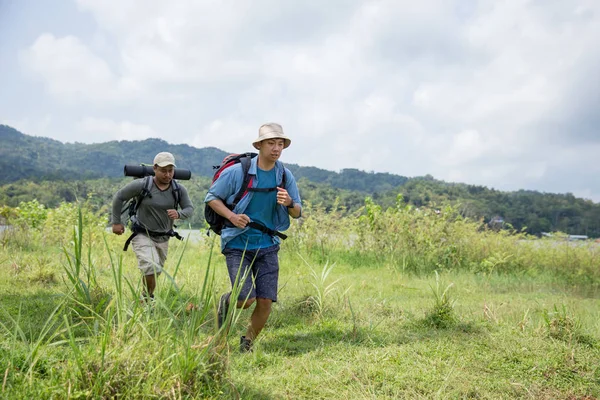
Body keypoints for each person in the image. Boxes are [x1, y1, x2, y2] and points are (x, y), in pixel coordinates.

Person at [205, 122, 302, 352]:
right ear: (259, 145)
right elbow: (211, 198)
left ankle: (247, 343)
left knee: (265, 300)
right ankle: (226, 302)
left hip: (268, 244)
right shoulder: (237, 172)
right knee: (245, 298)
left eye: (280, 144)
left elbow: (298, 211)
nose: (276, 148)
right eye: (271, 143)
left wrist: (289, 203)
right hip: (237, 242)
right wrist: (232, 216)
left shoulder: (284, 176)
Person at [111, 152, 194, 300]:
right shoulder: (142, 185)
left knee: (155, 271)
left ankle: (145, 296)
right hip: (142, 233)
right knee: (151, 266)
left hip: (163, 237)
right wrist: (116, 222)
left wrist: (179, 214)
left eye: (171, 171)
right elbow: (119, 197)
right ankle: (149, 299)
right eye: (163, 170)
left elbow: (189, 209)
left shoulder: (178, 189)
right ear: (155, 168)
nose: (168, 175)